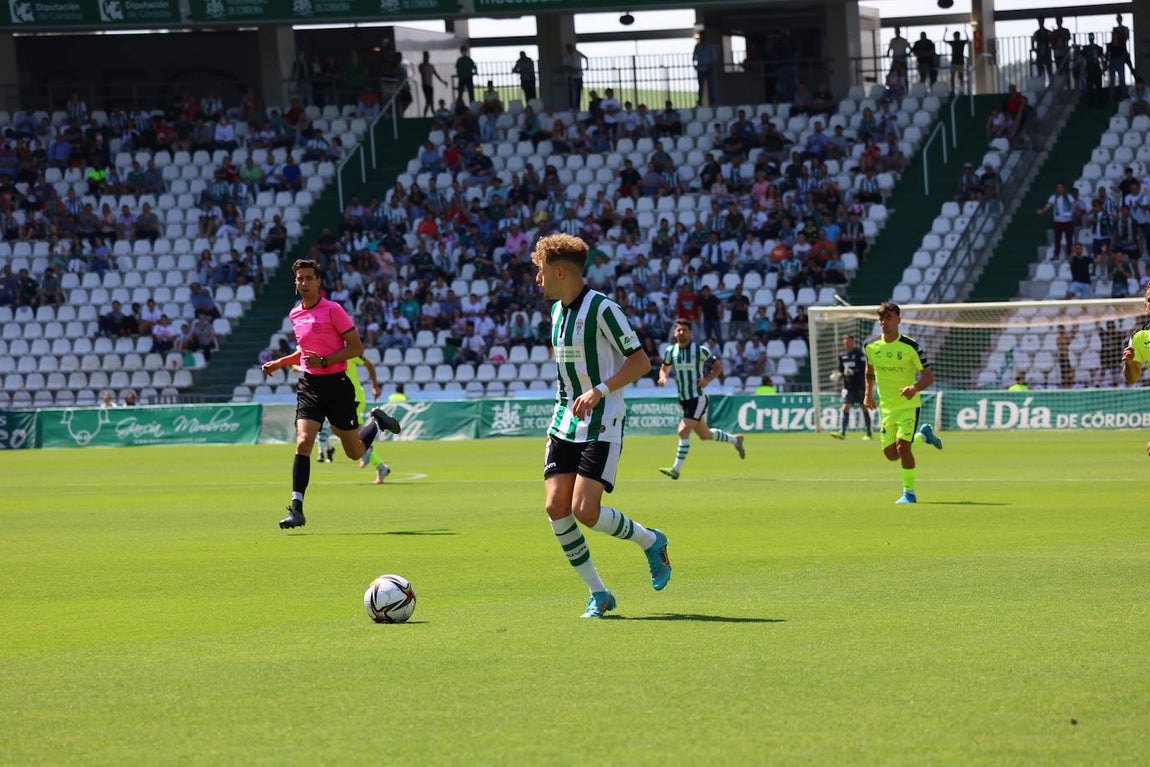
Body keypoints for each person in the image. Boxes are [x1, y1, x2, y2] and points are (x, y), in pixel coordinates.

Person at [531, 233, 671, 619]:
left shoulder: (604, 309)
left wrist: (599, 390)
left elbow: (641, 361)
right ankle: (600, 593)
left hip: (603, 422)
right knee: (556, 507)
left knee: (585, 511)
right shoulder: (557, 312)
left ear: (560, 271)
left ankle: (651, 541)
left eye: (541, 272)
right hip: (563, 421)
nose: (537, 280)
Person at [260, 259, 402, 530]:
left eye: (309, 278)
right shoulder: (295, 315)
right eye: (300, 279)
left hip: (337, 385)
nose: (304, 283)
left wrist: (324, 361)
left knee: (354, 451)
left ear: (318, 281)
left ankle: (377, 422)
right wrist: (280, 362)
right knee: (303, 441)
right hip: (310, 386)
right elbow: (305, 352)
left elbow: (356, 347)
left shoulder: (333, 310)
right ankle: (297, 509)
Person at [862, 302, 943, 505]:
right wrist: (868, 394)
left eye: (888, 318)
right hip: (887, 407)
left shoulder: (911, 346)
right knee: (891, 454)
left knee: (903, 447)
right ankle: (923, 436)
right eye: (881, 318)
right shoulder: (871, 346)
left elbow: (928, 377)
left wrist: (914, 388)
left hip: (908, 406)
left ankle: (909, 493)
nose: (884, 322)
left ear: (899, 320)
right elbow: (869, 370)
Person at [655, 319, 745, 480]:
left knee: (683, 430)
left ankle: (676, 469)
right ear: (674, 333)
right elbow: (664, 368)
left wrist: (707, 380)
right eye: (679, 330)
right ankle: (735, 440)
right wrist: (663, 377)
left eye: (684, 330)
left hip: (697, 397)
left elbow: (718, 367)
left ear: (691, 333)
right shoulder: (670, 351)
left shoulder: (700, 351)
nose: (681, 332)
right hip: (684, 399)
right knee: (705, 434)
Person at [1122, 283, 1150, 456]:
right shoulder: (1139, 337)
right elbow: (1132, 379)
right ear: (1145, 304)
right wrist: (1129, 364)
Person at [831, 334, 873, 440]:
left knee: (864, 408)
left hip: (859, 386)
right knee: (845, 407)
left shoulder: (859, 354)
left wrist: (853, 372)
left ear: (852, 342)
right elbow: (841, 370)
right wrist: (838, 375)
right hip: (848, 387)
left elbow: (864, 369)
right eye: (845, 342)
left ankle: (868, 433)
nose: (847, 343)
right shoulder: (842, 355)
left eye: (848, 341)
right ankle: (842, 433)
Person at [417, 51, 448, 117]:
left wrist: (443, 81)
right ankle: (429, 115)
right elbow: (421, 71)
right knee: (428, 101)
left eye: (427, 56)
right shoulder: (421, 65)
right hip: (425, 85)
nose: (426, 57)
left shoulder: (431, 66)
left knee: (430, 101)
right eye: (425, 56)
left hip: (430, 85)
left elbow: (436, 75)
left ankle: (432, 114)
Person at [693, 34, 719, 106]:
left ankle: (713, 102)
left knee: (711, 86)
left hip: (709, 69)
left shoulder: (710, 46)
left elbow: (714, 58)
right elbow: (694, 57)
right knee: (701, 86)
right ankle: (700, 101)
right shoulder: (698, 46)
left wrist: (711, 66)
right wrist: (695, 65)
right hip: (701, 69)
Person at [562, 43, 588, 109]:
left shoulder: (577, 53)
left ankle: (577, 106)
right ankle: (571, 106)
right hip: (571, 76)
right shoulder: (566, 56)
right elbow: (565, 66)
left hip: (579, 76)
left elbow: (585, 57)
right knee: (571, 92)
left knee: (578, 91)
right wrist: (573, 69)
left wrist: (587, 66)